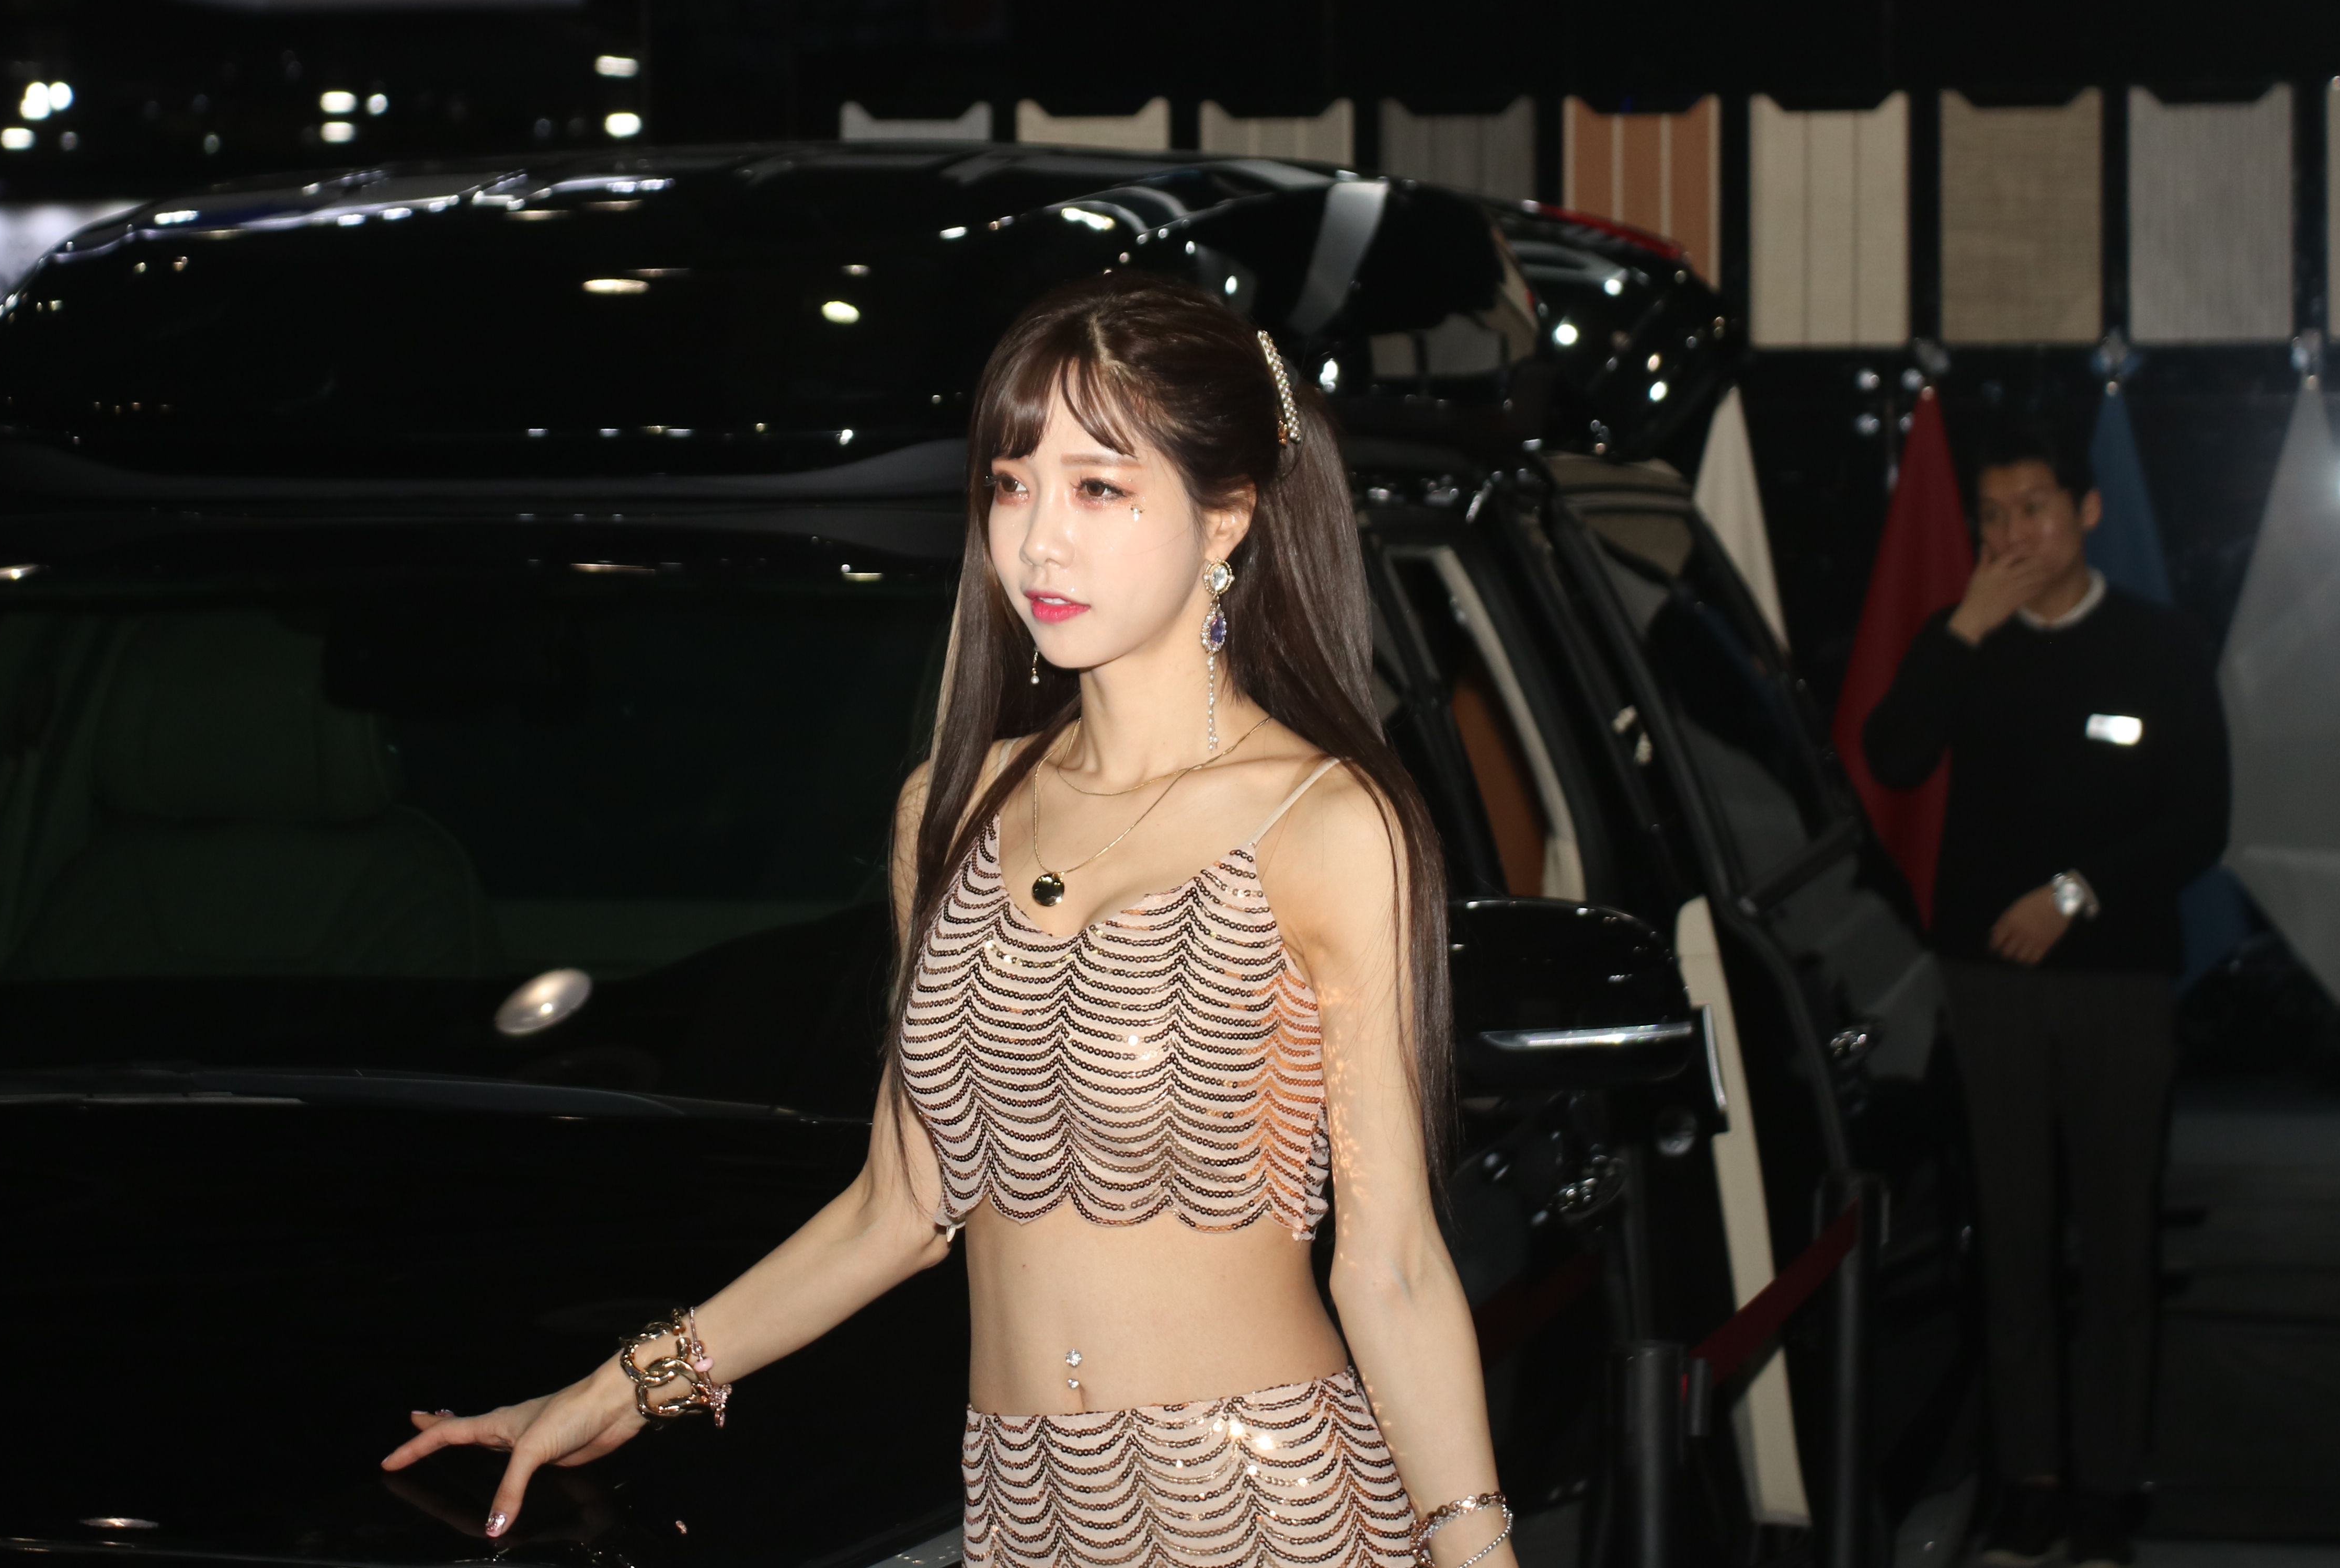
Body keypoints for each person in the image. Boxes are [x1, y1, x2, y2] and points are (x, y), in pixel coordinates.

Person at [385, 277, 1507, 1568]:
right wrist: (615, 1390)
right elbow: (902, 1204)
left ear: (1228, 516)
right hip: (1024, 1512)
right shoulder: (954, 805)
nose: (1038, 542)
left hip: (1264, 1506)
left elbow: (1392, 1263)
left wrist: (1477, 1549)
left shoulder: (1327, 822)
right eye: (1011, 484)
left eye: (1099, 487)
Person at [1861, 416, 2228, 1568]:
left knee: (2117, 1238)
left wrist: (2076, 892)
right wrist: (1964, 627)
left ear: (2087, 510)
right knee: (2010, 1238)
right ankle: (2031, 1478)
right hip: (1991, 983)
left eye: (2035, 509)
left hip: (2117, 979)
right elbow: (1892, 755)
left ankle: (2109, 1484)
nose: (2015, 533)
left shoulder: (2159, 641)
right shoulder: (1966, 637)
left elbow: (2201, 819)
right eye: (1995, 516)